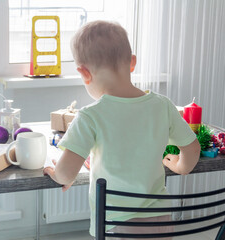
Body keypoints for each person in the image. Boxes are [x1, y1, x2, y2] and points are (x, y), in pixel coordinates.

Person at [43, 20, 201, 239]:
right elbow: (193, 148)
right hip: (161, 220)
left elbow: (66, 173)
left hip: (116, 224)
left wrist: (57, 173)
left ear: (84, 73)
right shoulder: (162, 105)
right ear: (132, 62)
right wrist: (181, 166)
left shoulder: (90, 115)